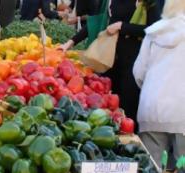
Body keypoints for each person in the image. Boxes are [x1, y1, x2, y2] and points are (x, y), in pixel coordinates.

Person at [60, 0, 160, 128]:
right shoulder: (108, 2)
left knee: (128, 107)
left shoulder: (148, 2)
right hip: (109, 60)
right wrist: (69, 43)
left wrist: (122, 26)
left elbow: (154, 30)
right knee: (107, 106)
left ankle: (129, 141)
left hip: (133, 62)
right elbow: (96, 23)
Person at [133, 0, 185, 167]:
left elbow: (138, 72)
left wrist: (152, 88)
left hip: (152, 107)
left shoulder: (154, 32)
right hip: (182, 110)